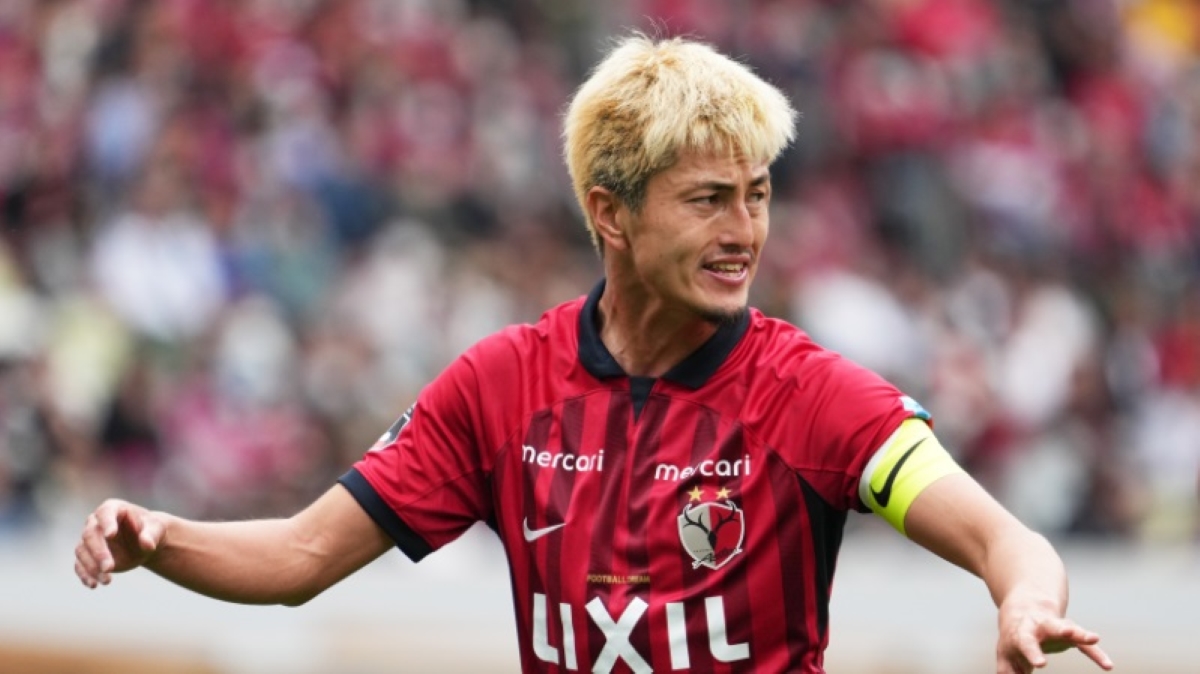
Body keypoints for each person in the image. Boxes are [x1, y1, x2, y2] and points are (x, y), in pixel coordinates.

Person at [74, 34, 1113, 674]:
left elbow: (1004, 538)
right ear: (610, 213)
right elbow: (300, 559)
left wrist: (1025, 597)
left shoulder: (811, 394)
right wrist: (161, 538)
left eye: (756, 195)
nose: (744, 232)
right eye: (708, 200)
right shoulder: (501, 386)